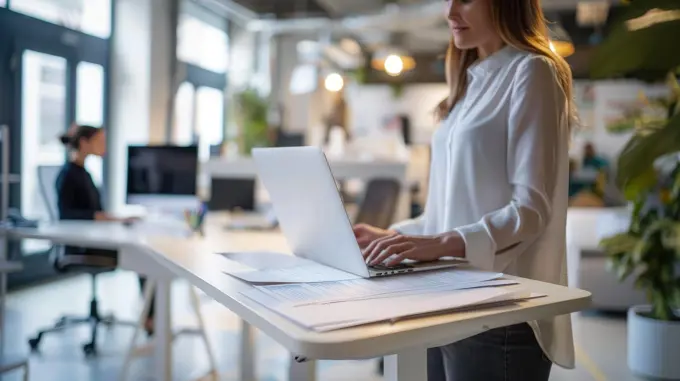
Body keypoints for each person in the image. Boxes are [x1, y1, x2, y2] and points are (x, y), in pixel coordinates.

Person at [354, 0, 577, 380]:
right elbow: (447, 211)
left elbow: (530, 210)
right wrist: (395, 235)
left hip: (501, 311)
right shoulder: (468, 82)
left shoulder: (534, 71)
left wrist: (440, 244)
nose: (450, 11)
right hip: (449, 297)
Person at [57, 124, 155, 334]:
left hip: (93, 240)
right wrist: (108, 218)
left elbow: (96, 212)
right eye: (100, 141)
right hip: (82, 247)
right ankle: (151, 319)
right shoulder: (68, 175)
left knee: (145, 252)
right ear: (84, 143)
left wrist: (114, 219)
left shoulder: (84, 173)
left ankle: (151, 316)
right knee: (143, 255)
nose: (104, 146)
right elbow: (67, 215)